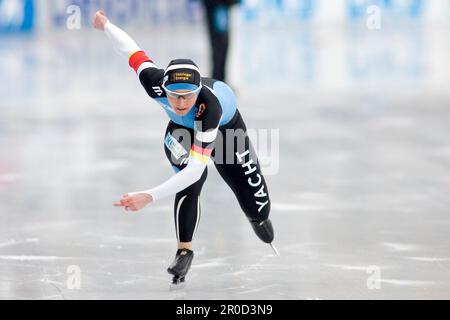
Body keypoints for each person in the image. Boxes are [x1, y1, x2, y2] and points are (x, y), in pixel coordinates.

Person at [93, 10, 275, 286]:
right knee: (190, 183)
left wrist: (149, 196)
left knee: (258, 207)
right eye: (174, 96)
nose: (180, 103)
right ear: (163, 87)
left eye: (187, 96)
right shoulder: (154, 82)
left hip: (226, 134)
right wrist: (106, 25)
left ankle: (258, 218)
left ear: (197, 91)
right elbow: (131, 51)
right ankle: (184, 250)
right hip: (181, 133)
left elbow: (195, 166)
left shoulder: (208, 106)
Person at [202, 0, 240, 82]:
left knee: (221, 44)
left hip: (220, 6)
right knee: (220, 44)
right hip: (218, 6)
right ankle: (218, 79)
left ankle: (219, 78)